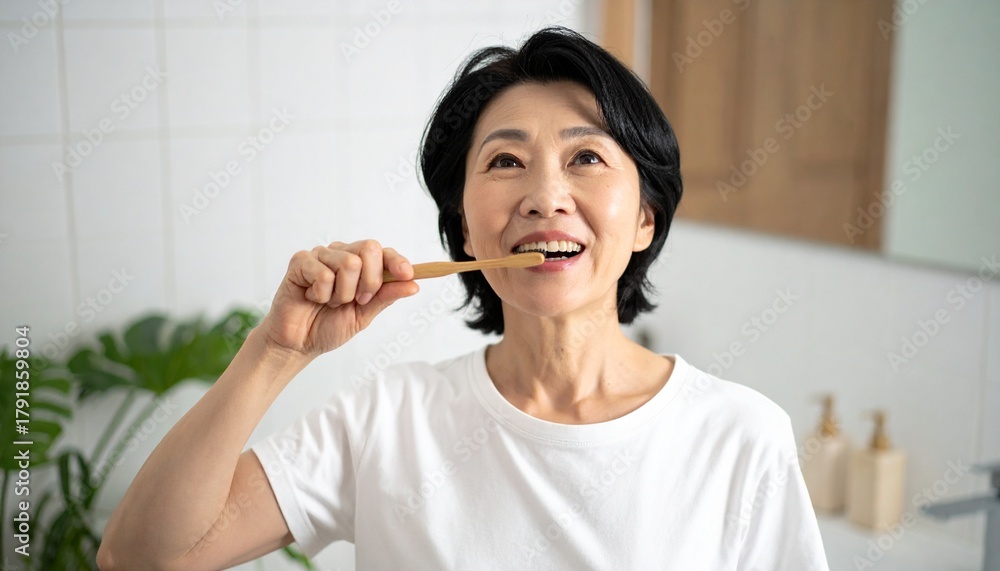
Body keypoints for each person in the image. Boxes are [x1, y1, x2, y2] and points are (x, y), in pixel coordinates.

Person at [97, 26, 829, 570]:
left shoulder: (740, 435)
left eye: (586, 157)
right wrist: (275, 352)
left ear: (645, 217)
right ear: (465, 227)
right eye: (506, 161)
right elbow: (139, 557)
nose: (545, 196)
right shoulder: (388, 419)